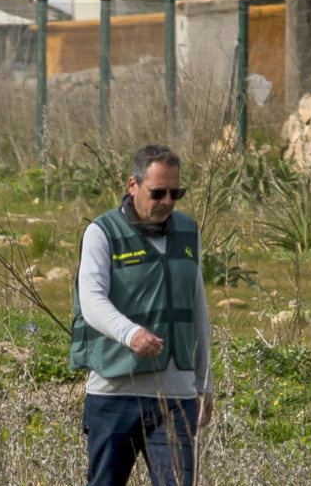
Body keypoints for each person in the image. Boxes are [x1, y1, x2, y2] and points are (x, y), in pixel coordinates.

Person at [70, 144, 213, 486]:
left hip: (176, 397)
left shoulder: (188, 231)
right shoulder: (102, 233)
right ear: (132, 185)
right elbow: (91, 300)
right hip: (114, 393)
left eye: (175, 193)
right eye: (158, 192)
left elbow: (197, 310)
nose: (167, 201)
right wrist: (130, 333)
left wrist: (204, 384)